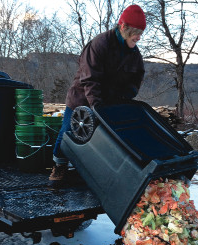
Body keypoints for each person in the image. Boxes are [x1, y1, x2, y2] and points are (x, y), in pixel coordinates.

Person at [49, 4, 146, 184]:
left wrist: (128, 94)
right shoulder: (100, 44)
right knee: (68, 132)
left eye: (141, 33)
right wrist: (96, 106)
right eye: (136, 32)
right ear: (123, 27)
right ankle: (59, 166)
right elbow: (90, 79)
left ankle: (89, 172)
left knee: (100, 139)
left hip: (108, 102)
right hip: (81, 98)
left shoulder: (133, 52)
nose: (139, 37)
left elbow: (137, 75)